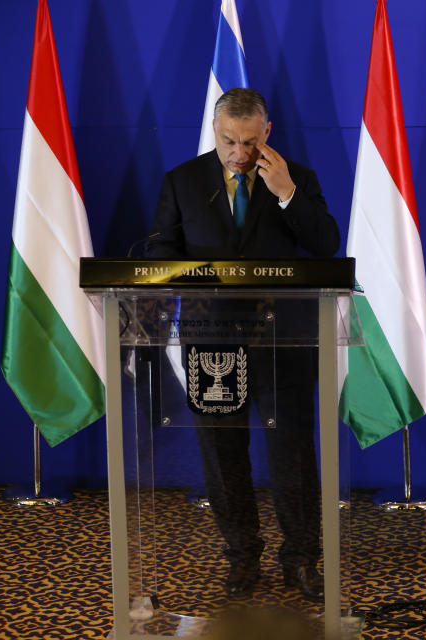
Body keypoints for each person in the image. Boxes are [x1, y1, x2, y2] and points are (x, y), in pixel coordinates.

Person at [147, 88, 340, 600]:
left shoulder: (296, 177)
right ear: (215, 132)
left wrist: (287, 194)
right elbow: (160, 251)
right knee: (221, 452)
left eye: (248, 141)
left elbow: (326, 245)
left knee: (292, 454)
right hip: (211, 339)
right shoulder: (183, 181)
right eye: (228, 140)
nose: (238, 152)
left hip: (282, 337)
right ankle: (242, 558)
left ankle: (301, 559)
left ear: (266, 132)